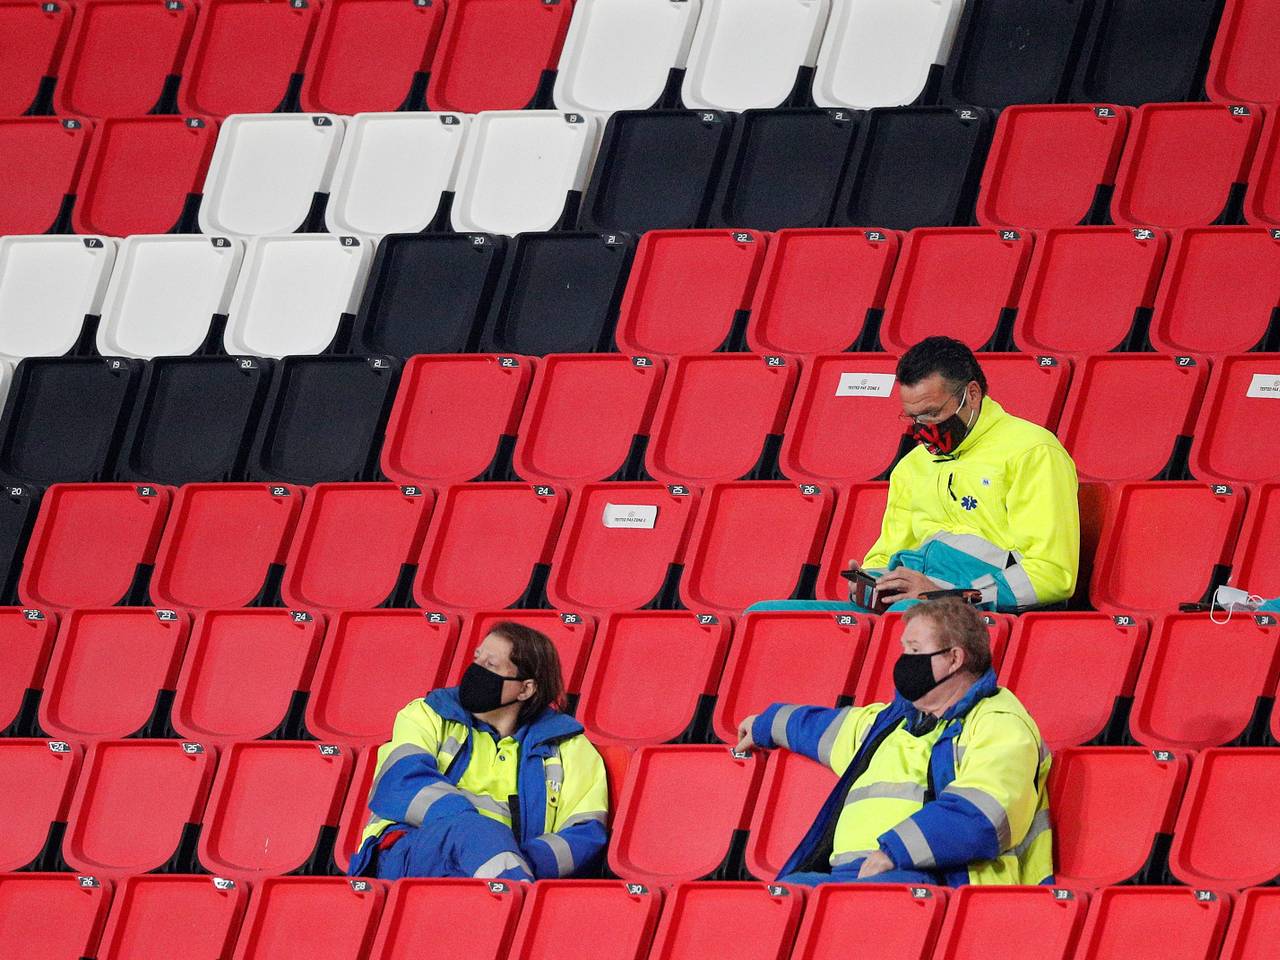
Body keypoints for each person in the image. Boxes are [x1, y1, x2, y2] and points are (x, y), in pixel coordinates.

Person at [736, 598, 1052, 887]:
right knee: (781, 897)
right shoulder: (891, 722)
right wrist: (764, 723)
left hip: (935, 880)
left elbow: (984, 813)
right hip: (851, 878)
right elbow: (823, 728)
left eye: (914, 650)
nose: (904, 661)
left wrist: (894, 851)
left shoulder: (999, 721)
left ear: (954, 658)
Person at [754, 336, 1079, 613]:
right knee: (765, 614)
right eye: (914, 418)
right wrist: (871, 583)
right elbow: (887, 552)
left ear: (973, 394)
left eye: (933, 413)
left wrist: (944, 594)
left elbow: (1053, 574)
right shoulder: (912, 467)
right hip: (914, 609)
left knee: (910, 611)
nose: (925, 429)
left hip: (975, 613)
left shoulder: (1032, 450)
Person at [348, 622, 608, 882]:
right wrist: (478, 837)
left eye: (490, 665)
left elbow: (585, 833)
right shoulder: (427, 714)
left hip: (502, 866)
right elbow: (401, 781)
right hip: (409, 852)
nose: (475, 670)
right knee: (472, 833)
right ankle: (513, 895)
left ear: (525, 689)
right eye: (476, 658)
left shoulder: (569, 747)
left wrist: (508, 852)